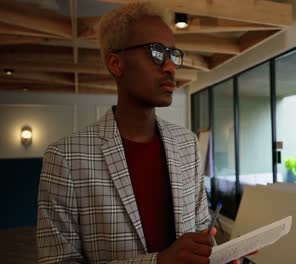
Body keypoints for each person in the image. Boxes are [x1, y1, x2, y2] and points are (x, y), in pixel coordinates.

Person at [37, 2, 250, 263]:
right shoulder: (66, 158)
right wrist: (159, 262)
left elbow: (200, 227)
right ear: (116, 64)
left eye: (173, 54)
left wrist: (218, 255)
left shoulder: (187, 144)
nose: (171, 67)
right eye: (157, 52)